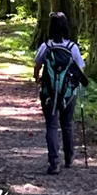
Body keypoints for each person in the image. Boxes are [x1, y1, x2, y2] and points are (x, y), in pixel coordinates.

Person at [33, 11, 88, 175]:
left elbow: (37, 66)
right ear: (66, 27)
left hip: (48, 92)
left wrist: (38, 80)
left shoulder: (46, 46)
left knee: (51, 125)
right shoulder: (73, 47)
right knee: (67, 124)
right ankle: (69, 157)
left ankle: (54, 162)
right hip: (68, 93)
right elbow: (81, 69)